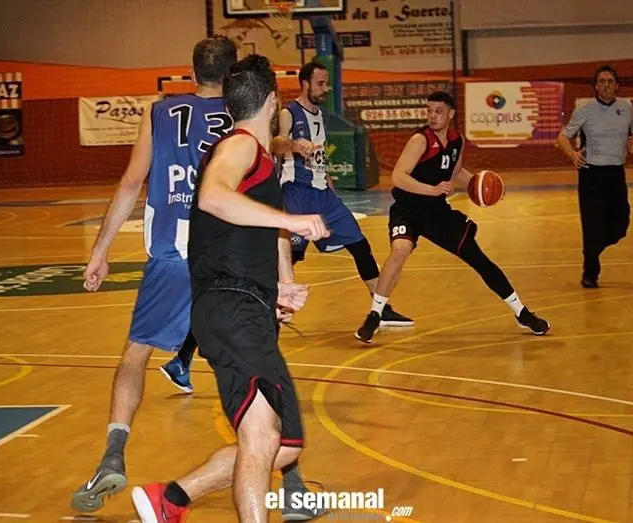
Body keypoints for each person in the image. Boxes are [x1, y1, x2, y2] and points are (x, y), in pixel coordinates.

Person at [71, 39, 317, 518]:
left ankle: (113, 453)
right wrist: (285, 266)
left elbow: (130, 182)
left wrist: (99, 251)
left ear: (190, 73)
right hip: (230, 258)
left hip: (174, 253)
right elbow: (256, 202)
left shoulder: (162, 112)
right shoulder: (242, 125)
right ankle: (291, 481)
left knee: (136, 356)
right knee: (261, 372)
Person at [131, 54, 329, 523]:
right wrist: (292, 220)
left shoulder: (258, 159)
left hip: (245, 305)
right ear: (272, 102)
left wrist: (280, 287)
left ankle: (171, 498)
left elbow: (247, 230)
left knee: (282, 444)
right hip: (231, 306)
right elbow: (213, 197)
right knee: (262, 436)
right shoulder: (239, 146)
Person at [355, 91, 551, 343]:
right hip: (408, 209)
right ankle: (375, 315)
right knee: (400, 250)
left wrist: (484, 186)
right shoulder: (420, 140)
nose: (432, 116)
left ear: (450, 114)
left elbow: (456, 172)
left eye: (438, 111)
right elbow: (398, 177)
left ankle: (522, 312)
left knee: (477, 257)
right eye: (429, 110)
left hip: (437, 212)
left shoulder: (457, 141)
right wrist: (432, 189)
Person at [274, 59, 413, 328]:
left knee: (360, 245)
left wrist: (329, 182)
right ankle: (269, 306)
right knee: (291, 255)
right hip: (296, 193)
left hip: (324, 196)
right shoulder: (289, 113)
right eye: (320, 83)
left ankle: (381, 309)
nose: (325, 89)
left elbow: (320, 157)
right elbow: (276, 143)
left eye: (326, 83)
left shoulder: (323, 116)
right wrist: (294, 144)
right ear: (305, 84)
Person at [556, 64, 633, 288]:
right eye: (602, 81)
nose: (606, 85)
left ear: (617, 85)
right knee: (591, 225)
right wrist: (573, 155)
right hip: (591, 174)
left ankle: (593, 249)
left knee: (621, 224)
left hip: (616, 174)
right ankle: (590, 273)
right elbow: (562, 137)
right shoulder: (585, 110)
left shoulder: (626, 108)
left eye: (610, 81)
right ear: (595, 86)